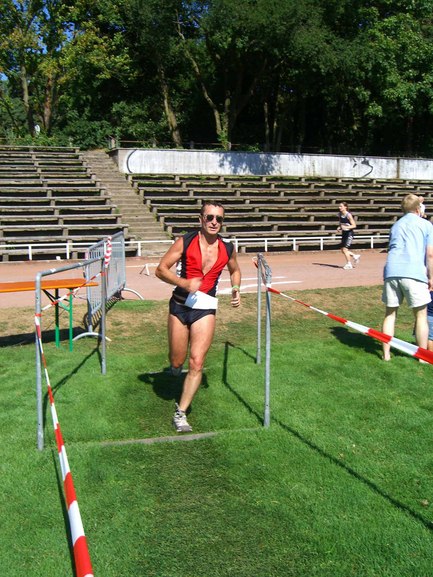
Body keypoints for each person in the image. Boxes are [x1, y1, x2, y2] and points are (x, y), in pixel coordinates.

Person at [155, 201, 241, 432]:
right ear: (201, 219)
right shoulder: (185, 241)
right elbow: (161, 269)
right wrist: (184, 283)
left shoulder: (228, 248)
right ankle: (174, 369)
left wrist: (236, 289)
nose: (214, 222)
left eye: (219, 219)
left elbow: (235, 270)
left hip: (205, 308)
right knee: (177, 361)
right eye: (210, 217)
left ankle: (181, 412)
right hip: (179, 305)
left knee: (197, 361)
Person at [382, 193, 433, 361]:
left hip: (392, 271)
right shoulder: (426, 224)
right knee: (421, 316)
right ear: (418, 209)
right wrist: (431, 277)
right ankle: (422, 357)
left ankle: (386, 354)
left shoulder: (395, 225)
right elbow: (430, 254)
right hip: (414, 272)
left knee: (390, 314)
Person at [337, 202, 361, 269]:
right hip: (344, 233)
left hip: (349, 234)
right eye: (339, 206)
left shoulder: (348, 215)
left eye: (341, 206)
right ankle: (355, 256)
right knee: (342, 250)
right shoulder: (339, 214)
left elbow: (354, 225)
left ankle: (349, 264)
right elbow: (341, 223)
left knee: (345, 249)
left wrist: (346, 227)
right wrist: (339, 227)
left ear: (345, 207)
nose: (339, 207)